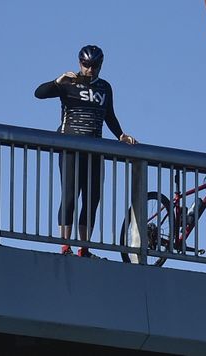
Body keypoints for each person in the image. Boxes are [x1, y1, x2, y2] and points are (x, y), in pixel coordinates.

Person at [34, 44, 138, 257]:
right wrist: (57, 82)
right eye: (86, 65)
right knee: (70, 195)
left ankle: (84, 248)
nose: (90, 70)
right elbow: (39, 93)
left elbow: (109, 115)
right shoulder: (68, 83)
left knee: (92, 198)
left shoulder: (105, 87)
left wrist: (120, 135)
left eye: (95, 66)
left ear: (101, 65)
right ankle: (65, 246)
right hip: (70, 146)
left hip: (95, 148)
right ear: (79, 62)